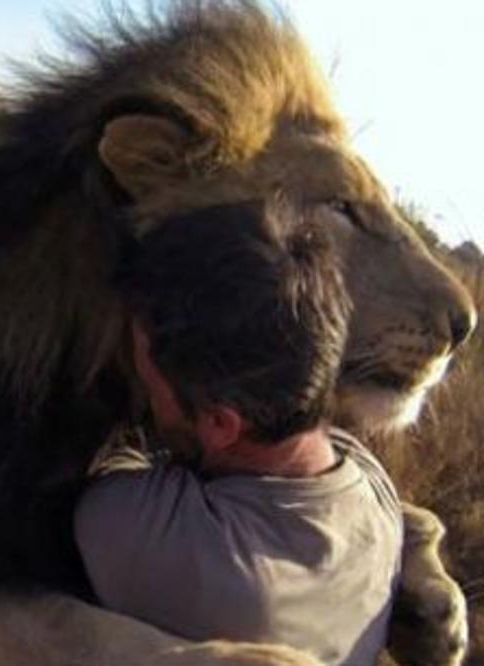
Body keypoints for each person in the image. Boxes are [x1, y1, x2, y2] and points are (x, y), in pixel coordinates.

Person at [74, 200, 403, 666]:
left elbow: (104, 482)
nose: (145, 402)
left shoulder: (142, 533)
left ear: (219, 424)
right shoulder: (374, 494)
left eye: (148, 385)